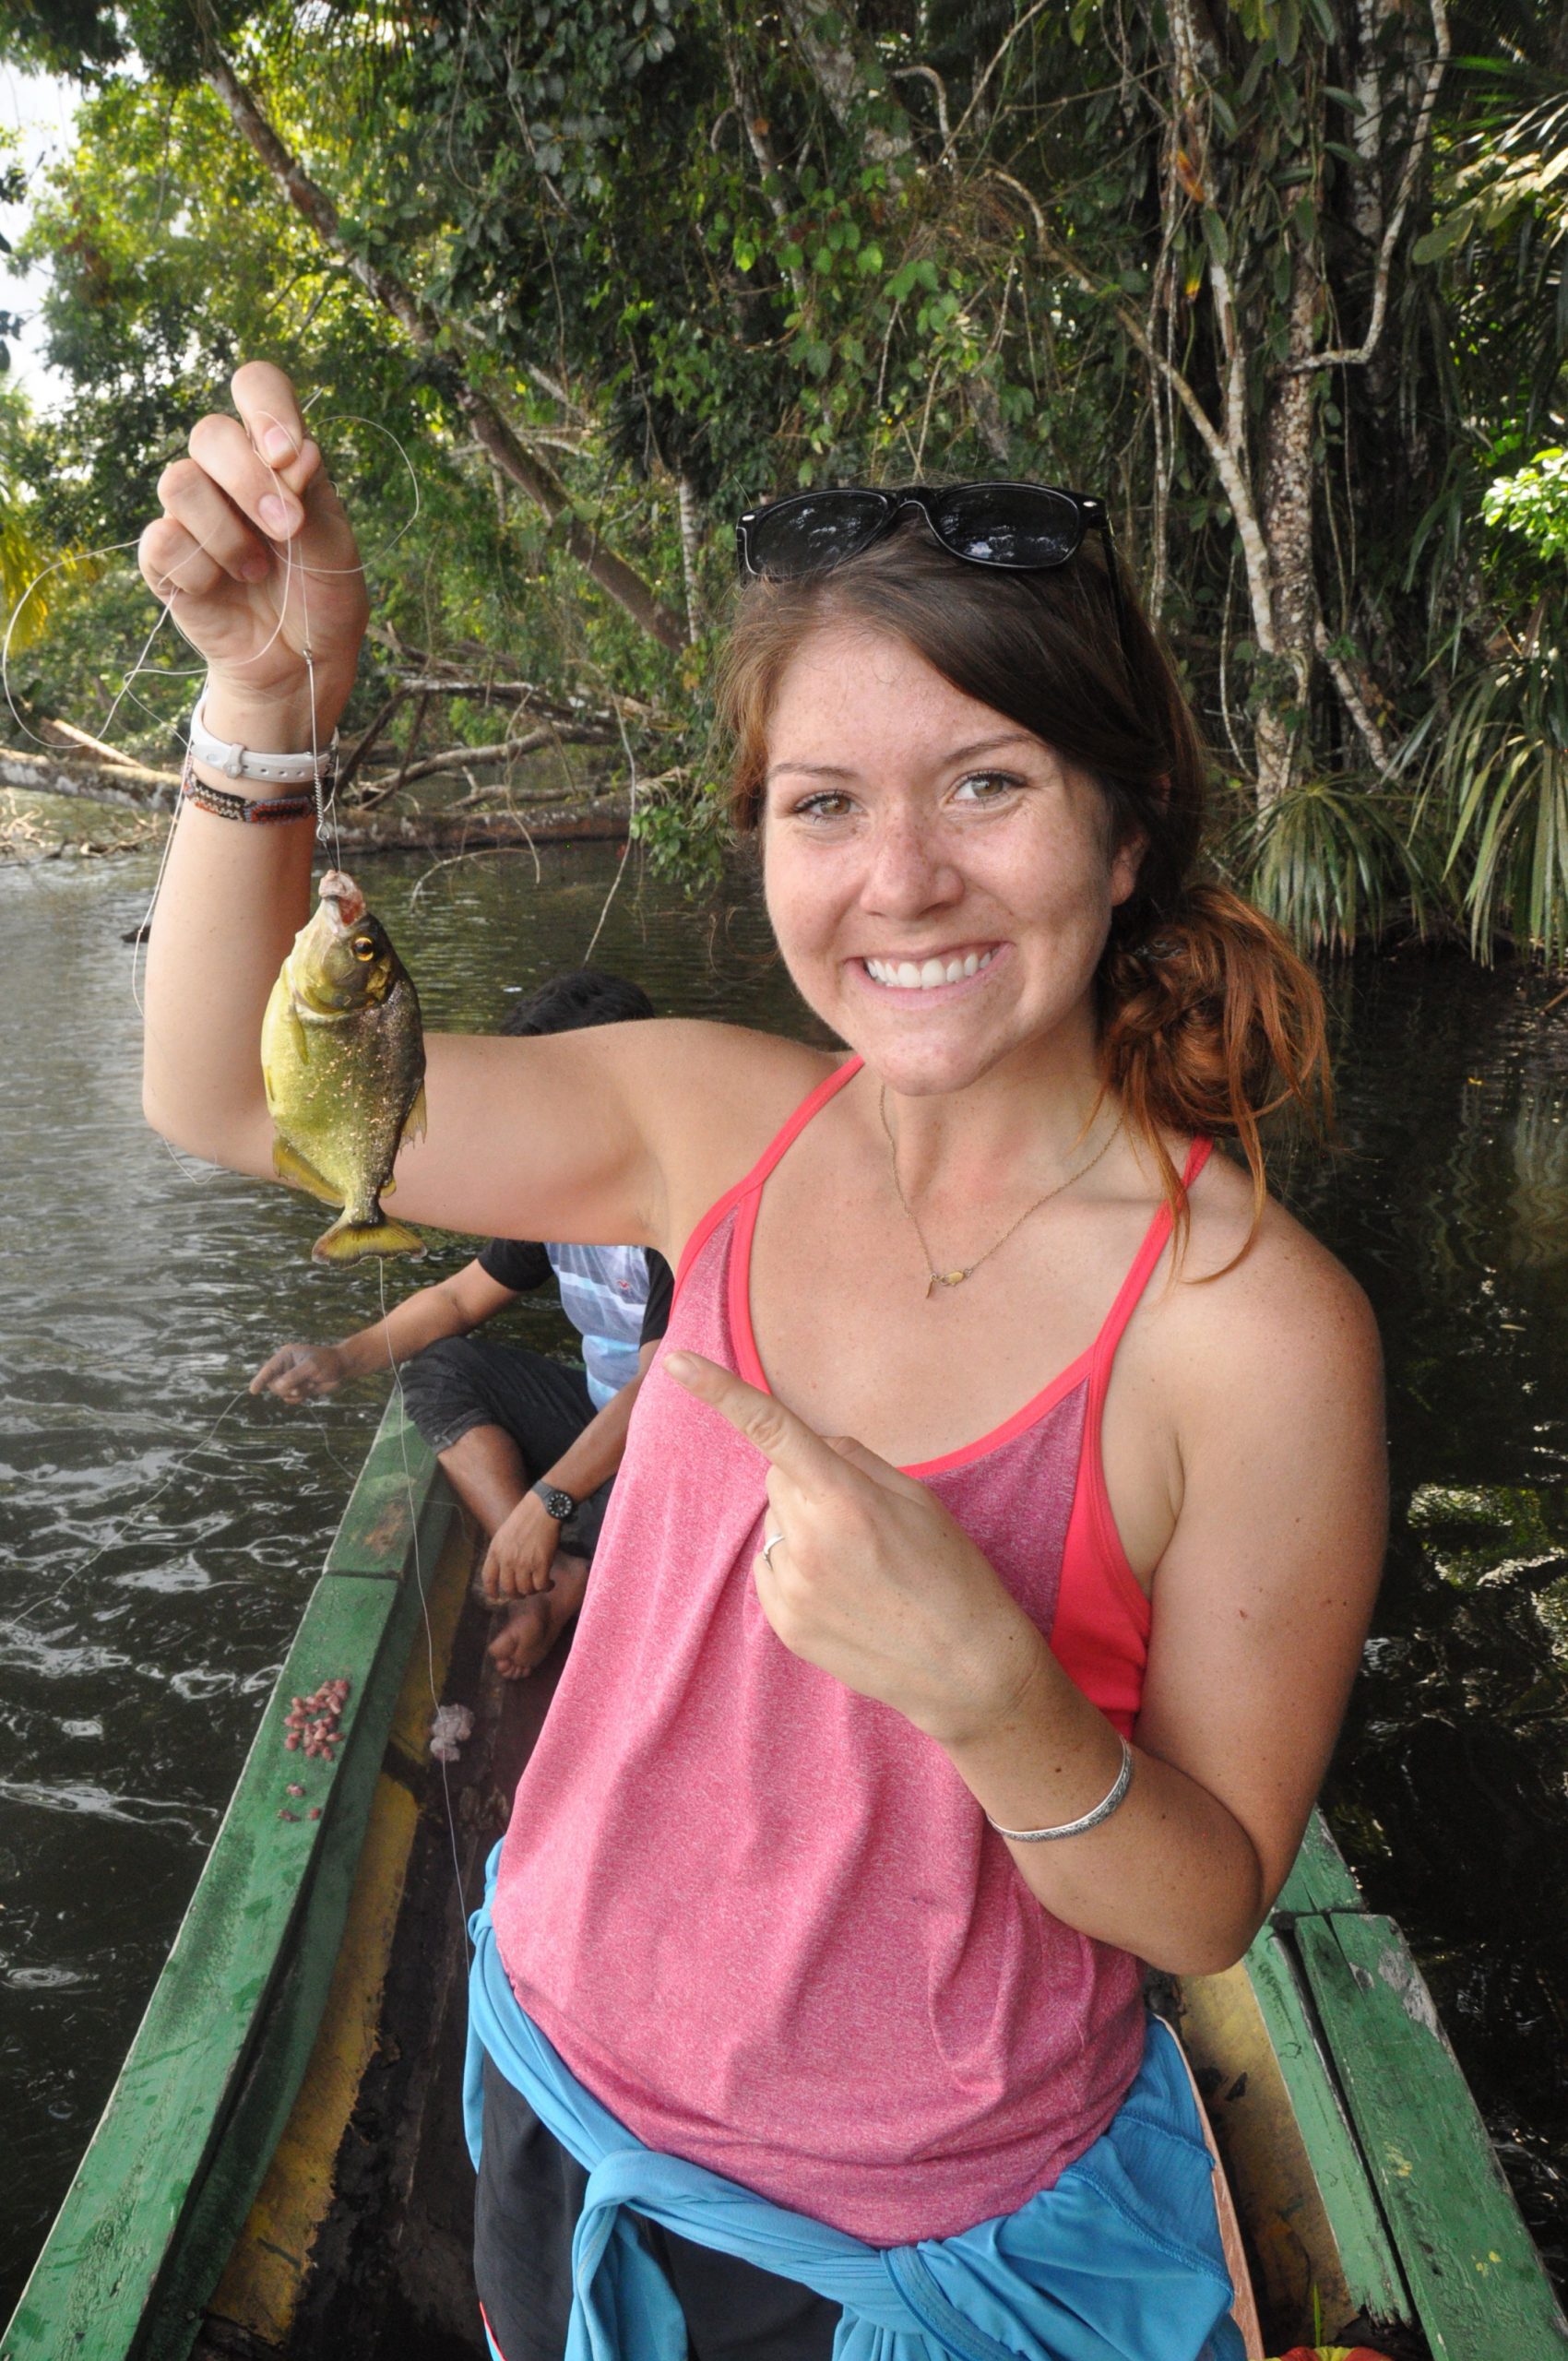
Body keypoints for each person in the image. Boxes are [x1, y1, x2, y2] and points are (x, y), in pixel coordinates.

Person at [138, 365, 1386, 2361]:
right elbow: (224, 1092)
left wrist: (998, 1698)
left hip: (912, 2242)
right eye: (822, 803)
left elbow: (1206, 1905)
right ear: (761, 840)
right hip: (550, 2088)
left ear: (1125, 827)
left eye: (985, 781)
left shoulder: (1246, 1328)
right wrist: (264, 713)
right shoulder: (714, 1121)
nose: (897, 879)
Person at [250, 968, 673, 1679]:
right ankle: (546, 1572)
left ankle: (564, 1553)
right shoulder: (560, 1190)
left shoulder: (680, 1204)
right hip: (606, 1418)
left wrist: (553, 1499)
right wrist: (343, 1358)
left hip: (682, 1440)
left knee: (656, 1506)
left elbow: (662, 1392)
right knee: (443, 1370)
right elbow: (457, 1302)